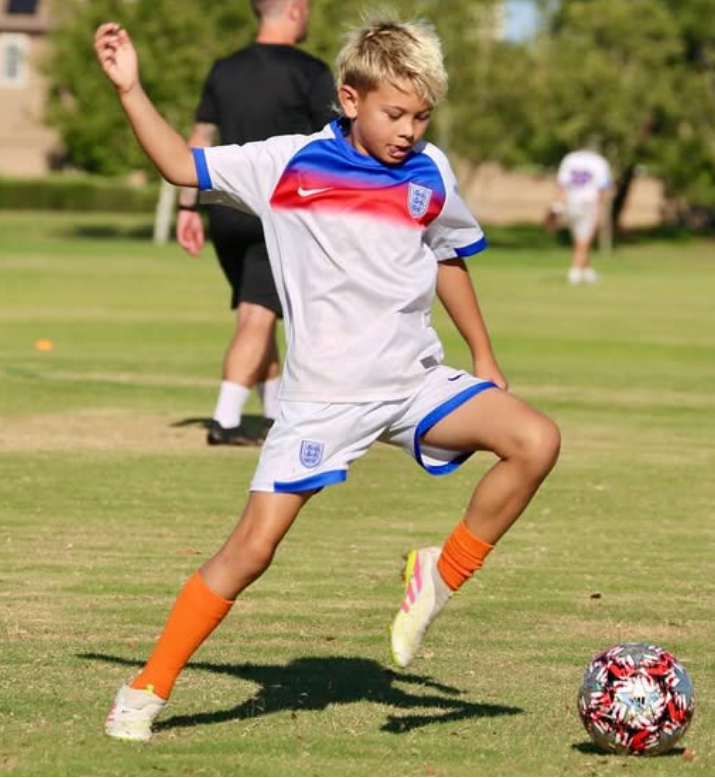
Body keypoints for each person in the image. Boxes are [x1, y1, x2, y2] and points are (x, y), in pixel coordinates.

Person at [94, 11, 562, 743]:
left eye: (421, 116)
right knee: (251, 550)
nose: (408, 130)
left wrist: (485, 357)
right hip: (322, 402)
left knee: (536, 440)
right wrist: (130, 89)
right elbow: (182, 166)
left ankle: (437, 575)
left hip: (414, 384)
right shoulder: (288, 163)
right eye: (394, 114)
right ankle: (147, 686)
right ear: (350, 99)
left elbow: (447, 257)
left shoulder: (431, 170)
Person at [176, 0, 336, 446]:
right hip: (279, 210)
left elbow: (200, 140)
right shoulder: (311, 73)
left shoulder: (224, 70)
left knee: (259, 312)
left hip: (225, 209)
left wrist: (187, 208)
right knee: (257, 315)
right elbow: (333, 147)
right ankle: (224, 421)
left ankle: (273, 415)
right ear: (296, 9)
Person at [555, 147, 613, 285]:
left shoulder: (570, 159)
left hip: (571, 203)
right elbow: (602, 187)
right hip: (589, 204)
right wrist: (601, 209)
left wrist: (558, 206)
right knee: (583, 241)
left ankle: (587, 271)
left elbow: (562, 184)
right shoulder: (599, 161)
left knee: (579, 240)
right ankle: (575, 272)